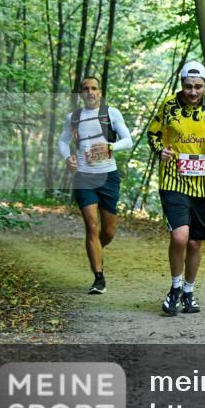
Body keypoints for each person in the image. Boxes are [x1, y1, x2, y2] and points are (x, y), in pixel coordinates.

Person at [147, 62, 205, 316]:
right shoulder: (169, 106)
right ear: (181, 84)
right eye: (188, 86)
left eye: (198, 87)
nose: (193, 92)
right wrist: (160, 150)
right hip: (174, 179)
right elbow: (153, 133)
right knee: (179, 236)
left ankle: (188, 291)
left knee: (196, 243)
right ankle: (174, 288)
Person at [57, 76, 133, 294]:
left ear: (100, 92)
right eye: (85, 89)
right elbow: (63, 141)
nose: (89, 92)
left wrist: (110, 148)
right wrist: (67, 157)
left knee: (108, 231)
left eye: (94, 88)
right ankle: (98, 278)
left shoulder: (111, 113)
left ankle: (96, 249)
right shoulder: (73, 117)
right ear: (80, 93)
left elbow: (128, 140)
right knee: (91, 226)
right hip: (84, 177)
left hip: (108, 176)